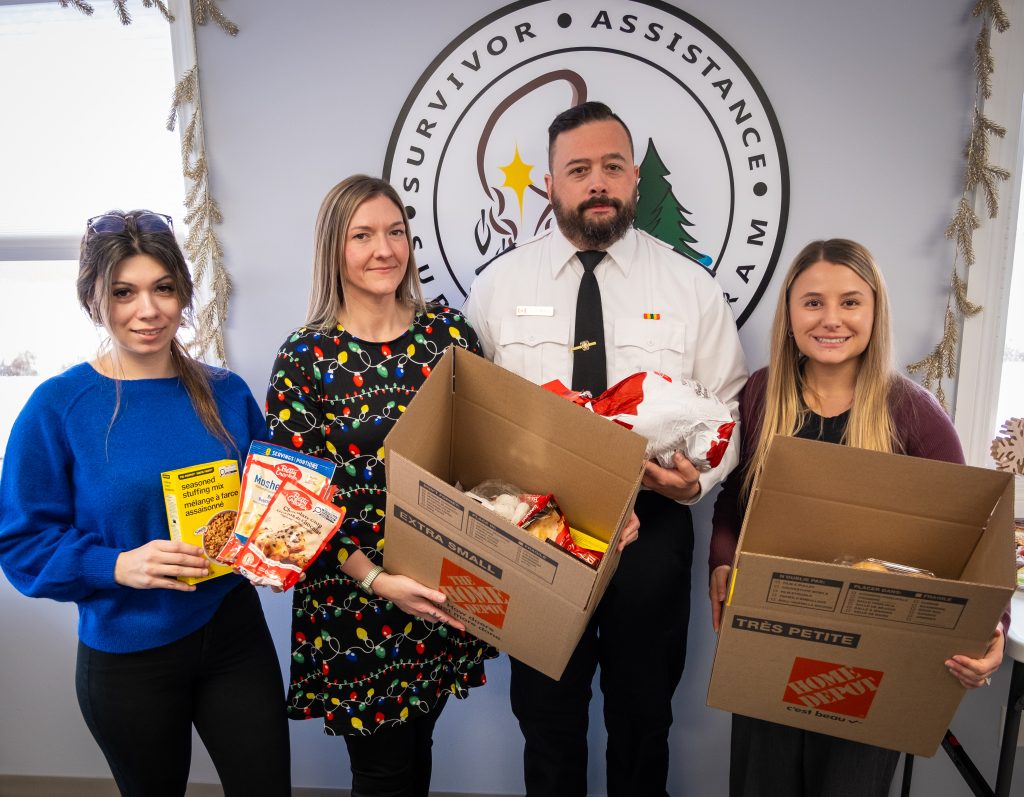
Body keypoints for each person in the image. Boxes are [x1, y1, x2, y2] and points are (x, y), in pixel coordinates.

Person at [463, 101, 748, 797]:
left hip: (652, 521)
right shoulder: (499, 286)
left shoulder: (689, 287)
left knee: (644, 717)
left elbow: (730, 406)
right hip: (537, 530)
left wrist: (696, 481)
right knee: (546, 718)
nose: (598, 182)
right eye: (579, 169)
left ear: (633, 179)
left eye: (613, 167)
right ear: (551, 184)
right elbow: (471, 409)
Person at [0, 210, 291, 796]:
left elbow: (272, 500)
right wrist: (116, 565)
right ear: (94, 299)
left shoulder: (226, 392)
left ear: (183, 292)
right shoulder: (59, 406)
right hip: (130, 654)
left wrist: (278, 544)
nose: (149, 309)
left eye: (163, 287)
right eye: (123, 292)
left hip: (232, 632)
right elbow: (21, 543)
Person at [708, 238, 1007, 797]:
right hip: (773, 638)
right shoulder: (761, 394)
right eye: (813, 302)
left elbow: (972, 537)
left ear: (875, 312)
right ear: (789, 314)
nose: (831, 319)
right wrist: (721, 562)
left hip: (873, 661)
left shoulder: (914, 413)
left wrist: (993, 627)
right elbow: (734, 497)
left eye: (850, 302)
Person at [264, 175, 496, 797]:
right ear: (333, 249)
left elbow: (485, 453)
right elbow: (294, 508)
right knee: (383, 772)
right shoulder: (305, 358)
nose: (384, 249)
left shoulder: (448, 336)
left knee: (416, 751)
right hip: (355, 600)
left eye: (396, 232)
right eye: (362, 235)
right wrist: (376, 580)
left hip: (439, 589)